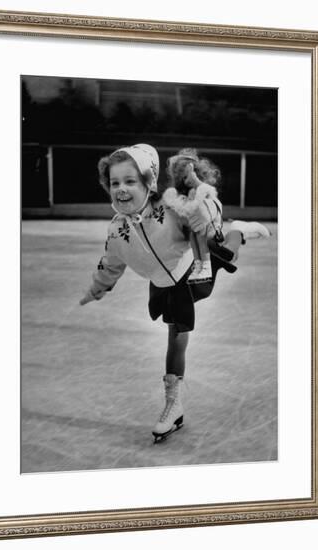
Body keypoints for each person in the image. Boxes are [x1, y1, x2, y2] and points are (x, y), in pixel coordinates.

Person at [79, 143, 270, 443]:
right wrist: (97, 287)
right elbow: (110, 263)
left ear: (149, 182)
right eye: (115, 182)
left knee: (228, 256)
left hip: (194, 270)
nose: (121, 188)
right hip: (163, 285)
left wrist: (206, 214)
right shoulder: (116, 231)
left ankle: (239, 230)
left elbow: (208, 207)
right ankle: (174, 404)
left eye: (130, 181)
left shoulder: (170, 209)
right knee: (176, 336)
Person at [164, 148, 224, 284]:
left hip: (211, 231)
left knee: (200, 234)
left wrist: (194, 177)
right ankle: (198, 266)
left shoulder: (204, 189)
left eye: (190, 175)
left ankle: (206, 267)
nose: (187, 180)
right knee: (193, 235)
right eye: (184, 178)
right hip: (197, 229)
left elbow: (212, 202)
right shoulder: (189, 193)